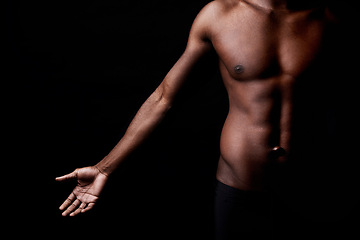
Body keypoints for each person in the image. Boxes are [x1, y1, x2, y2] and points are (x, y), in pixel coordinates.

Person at [56, 0, 340, 238]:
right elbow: (165, 98)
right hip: (239, 191)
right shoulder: (220, 15)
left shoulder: (330, 17)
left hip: (311, 189)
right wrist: (105, 168)